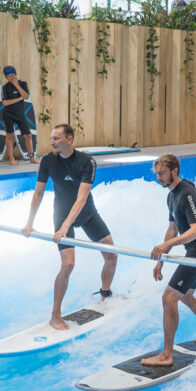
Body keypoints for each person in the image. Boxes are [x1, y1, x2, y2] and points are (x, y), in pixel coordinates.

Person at [21, 124, 118, 330]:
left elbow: (81, 199)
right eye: (51, 138)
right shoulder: (47, 161)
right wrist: (30, 223)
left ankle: (105, 294)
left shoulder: (86, 162)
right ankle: (55, 315)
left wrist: (65, 227)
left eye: (57, 138)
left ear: (69, 139)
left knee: (111, 255)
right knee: (68, 264)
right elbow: (38, 193)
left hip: (86, 213)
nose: (52, 142)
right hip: (61, 212)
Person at [141, 154, 196, 366]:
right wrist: (161, 260)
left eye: (162, 173)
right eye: (157, 173)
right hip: (194, 251)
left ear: (175, 170)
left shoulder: (188, 193)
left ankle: (166, 355)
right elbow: (172, 229)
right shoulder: (171, 196)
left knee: (169, 297)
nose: (158, 178)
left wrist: (168, 245)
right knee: (186, 296)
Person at [1, 65, 37, 165]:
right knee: (9, 136)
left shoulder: (23, 84)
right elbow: (4, 103)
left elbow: (26, 96)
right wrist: (18, 98)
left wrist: (16, 85)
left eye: (12, 75)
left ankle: (31, 157)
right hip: (8, 114)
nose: (11, 78)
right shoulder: (5, 88)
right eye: (9, 76)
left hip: (20, 114)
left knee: (28, 135)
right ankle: (11, 159)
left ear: (16, 74)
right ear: (6, 77)